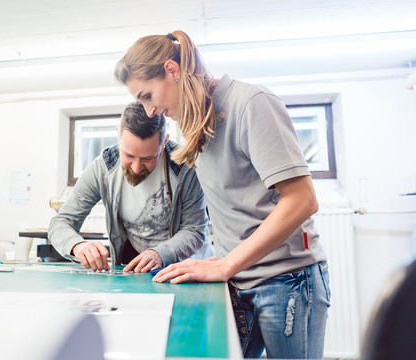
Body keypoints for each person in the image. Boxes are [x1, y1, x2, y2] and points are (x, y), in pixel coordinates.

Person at [114, 30, 330, 359]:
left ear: (172, 71)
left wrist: (227, 263)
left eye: (147, 95)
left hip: (287, 281)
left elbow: (302, 200)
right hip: (237, 279)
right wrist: (221, 259)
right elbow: (240, 207)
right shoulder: (193, 123)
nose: (148, 110)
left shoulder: (251, 103)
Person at [48, 101, 214, 273]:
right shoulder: (102, 168)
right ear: (118, 136)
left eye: (148, 158)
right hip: (139, 269)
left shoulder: (185, 166)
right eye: (128, 155)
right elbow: (60, 222)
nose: (136, 168)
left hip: (188, 268)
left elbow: (195, 230)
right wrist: (78, 245)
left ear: (164, 142)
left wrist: (160, 253)